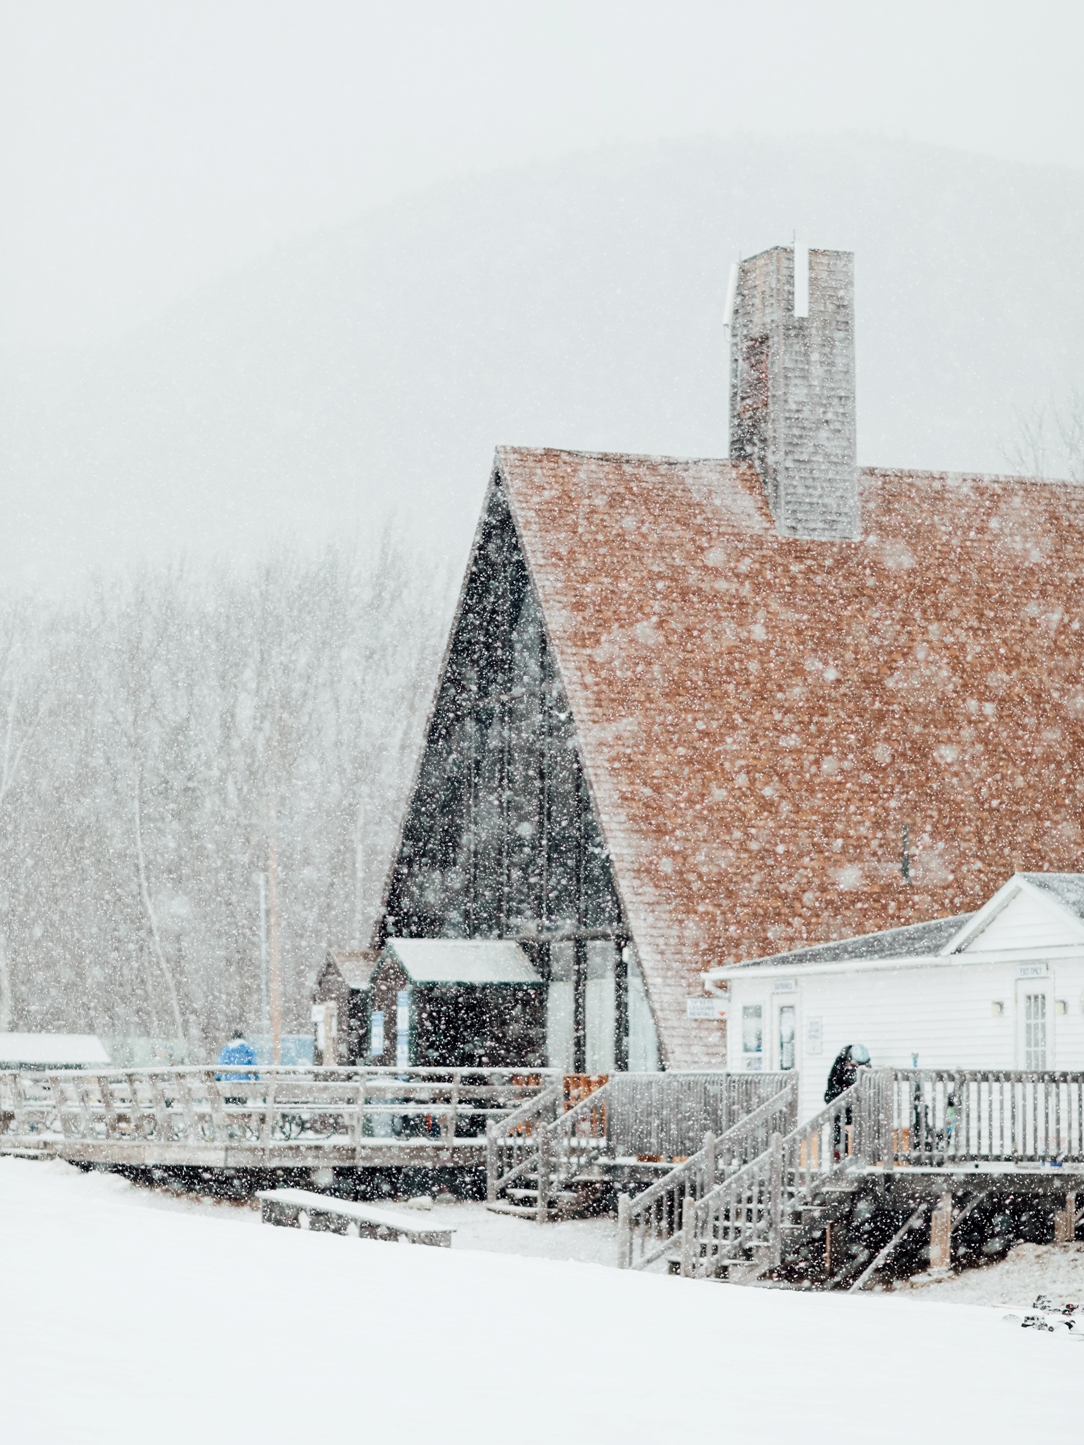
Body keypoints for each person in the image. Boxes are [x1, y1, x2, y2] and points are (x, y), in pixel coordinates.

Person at [825, 1044, 871, 1161]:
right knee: (838, 1125)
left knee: (866, 1124)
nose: (859, 1068)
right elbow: (832, 1088)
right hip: (840, 1106)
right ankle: (839, 1155)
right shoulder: (840, 1066)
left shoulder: (867, 1069)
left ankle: (863, 1156)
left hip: (859, 1108)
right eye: (856, 1064)